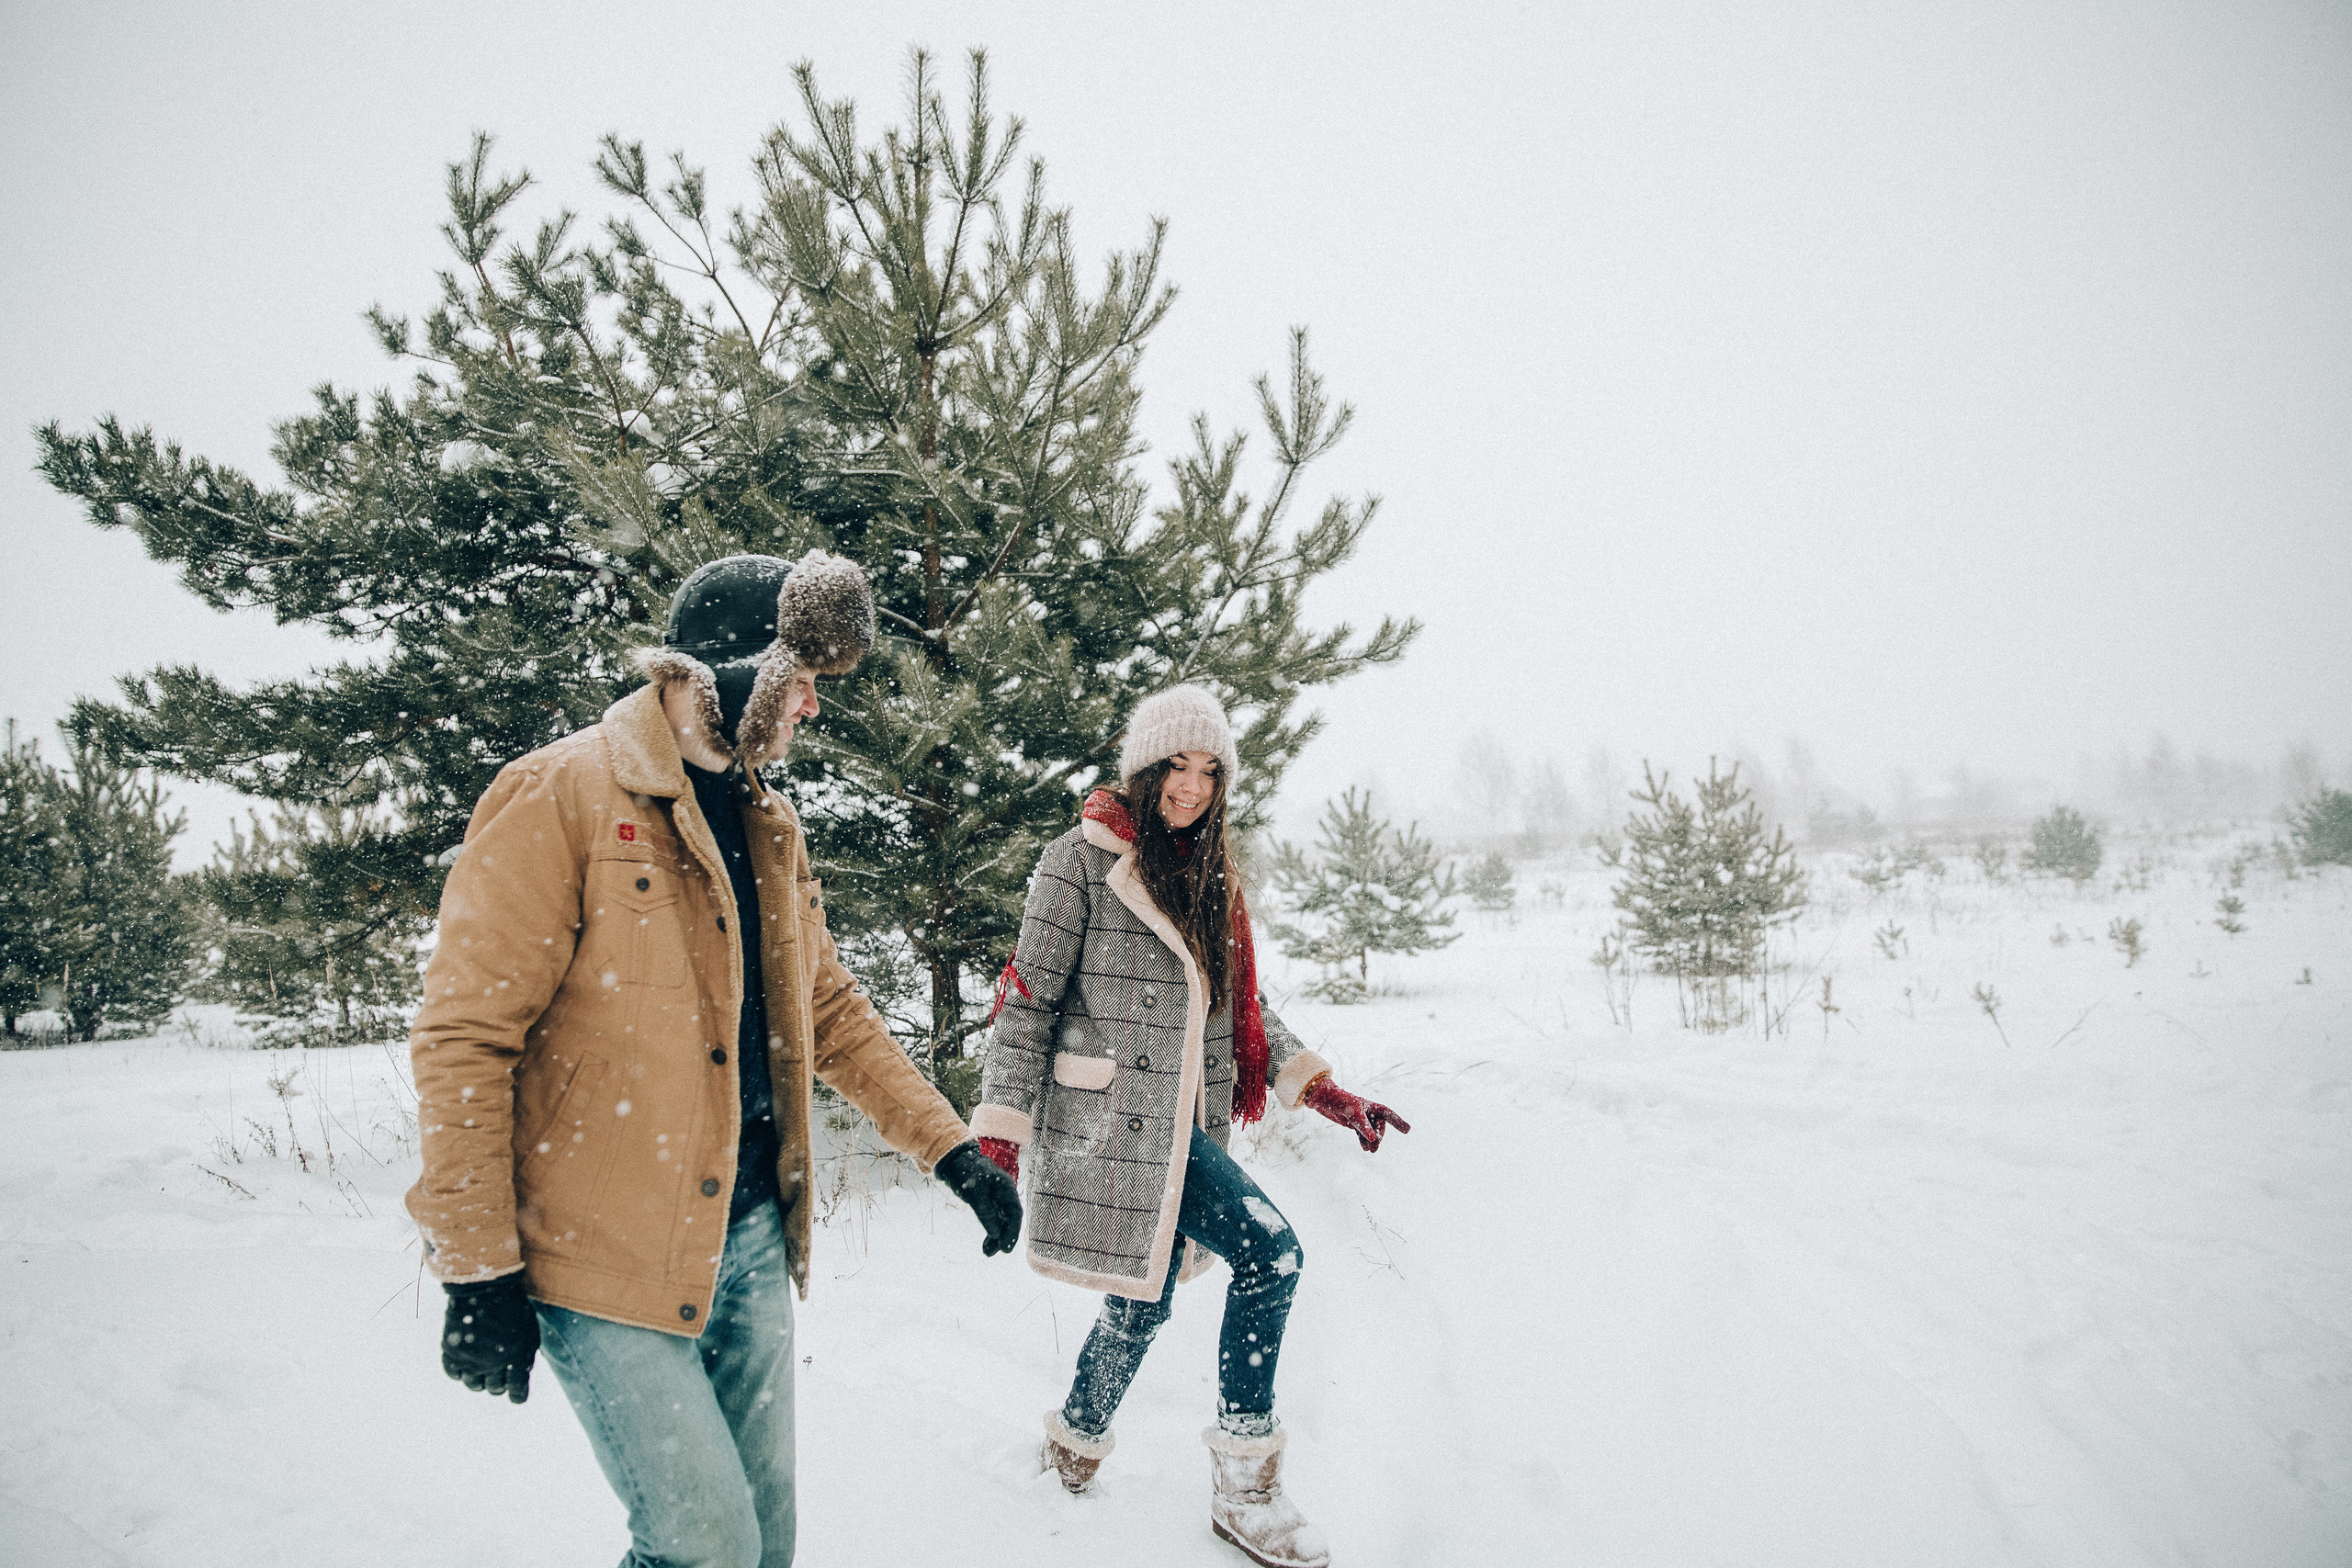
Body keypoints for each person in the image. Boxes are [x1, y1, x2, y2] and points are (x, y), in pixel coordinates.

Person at [406, 550, 1022, 1568]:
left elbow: (824, 1008)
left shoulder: (765, 819)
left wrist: (949, 1150)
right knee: (705, 1545)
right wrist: (477, 1268)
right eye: (806, 682)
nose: (813, 710)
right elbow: (465, 1040)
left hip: (742, 1236)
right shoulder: (559, 794)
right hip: (595, 1252)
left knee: (765, 1542)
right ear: (742, 671)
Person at [971, 685, 1409, 1568]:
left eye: (1210, 771)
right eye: (1177, 765)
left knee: (1146, 1294)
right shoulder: (1080, 860)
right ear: (1143, 769)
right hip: (1115, 1124)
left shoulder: (1210, 875)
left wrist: (1323, 1090)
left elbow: (1241, 1008)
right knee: (1272, 1253)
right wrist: (999, 1137)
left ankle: (1072, 1443)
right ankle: (1246, 1485)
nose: (1192, 787)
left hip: (1186, 1123)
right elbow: (1026, 1003)